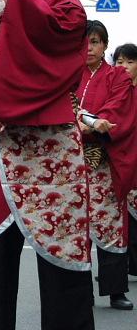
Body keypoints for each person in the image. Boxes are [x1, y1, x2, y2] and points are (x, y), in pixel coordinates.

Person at [0, 0, 92, 330]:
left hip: (54, 145)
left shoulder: (69, 8)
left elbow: (38, 28)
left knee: (62, 255)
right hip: (3, 142)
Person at [77, 25, 137, 310]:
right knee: (74, 225)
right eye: (84, 43)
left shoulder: (117, 77)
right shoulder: (65, 76)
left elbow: (118, 109)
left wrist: (89, 123)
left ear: (105, 46)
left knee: (110, 223)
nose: (88, 48)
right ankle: (77, 291)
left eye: (95, 42)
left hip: (103, 161)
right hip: (70, 162)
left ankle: (115, 290)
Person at [113, 44, 137, 281]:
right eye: (120, 62)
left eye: (130, 62)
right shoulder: (115, 91)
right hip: (121, 156)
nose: (125, 67)